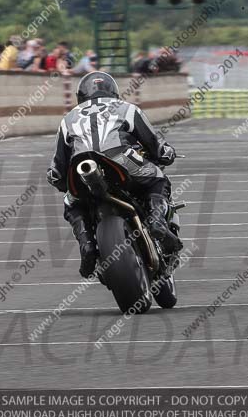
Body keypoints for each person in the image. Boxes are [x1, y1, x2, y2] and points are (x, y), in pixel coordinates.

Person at [46, 72, 182, 278]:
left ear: (81, 96)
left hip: (80, 168)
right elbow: (154, 144)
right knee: (158, 179)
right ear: (114, 92)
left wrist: (58, 180)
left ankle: (87, 245)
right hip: (121, 159)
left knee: (71, 202)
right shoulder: (128, 109)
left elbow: (57, 168)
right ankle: (157, 221)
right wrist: (166, 153)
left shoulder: (68, 119)